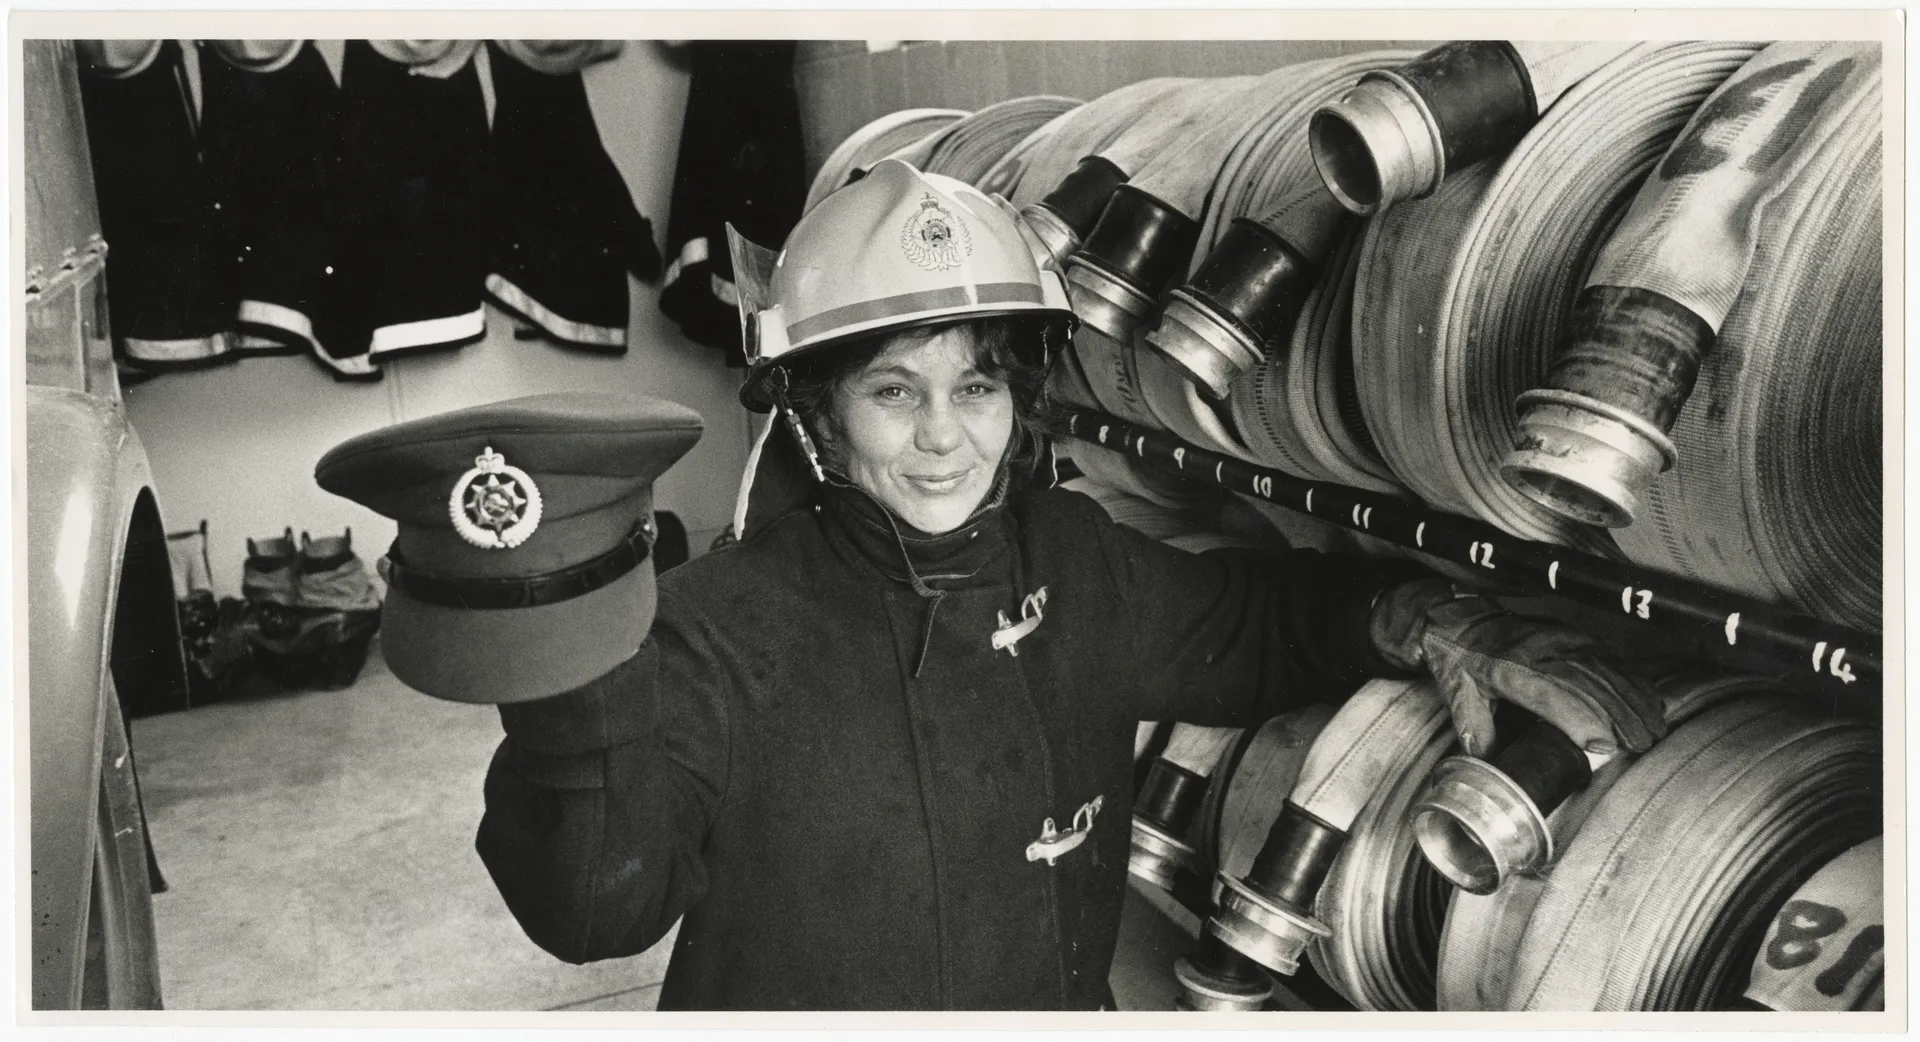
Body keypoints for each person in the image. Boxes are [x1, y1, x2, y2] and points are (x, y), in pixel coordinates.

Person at [322, 159, 1664, 1011]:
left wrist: (1421, 615)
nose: (943, 434)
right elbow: (592, 907)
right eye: (892, 391)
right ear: (814, 415)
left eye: (974, 384)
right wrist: (574, 690)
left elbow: (1248, 628)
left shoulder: (1069, 563)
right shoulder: (716, 628)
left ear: (1017, 397)